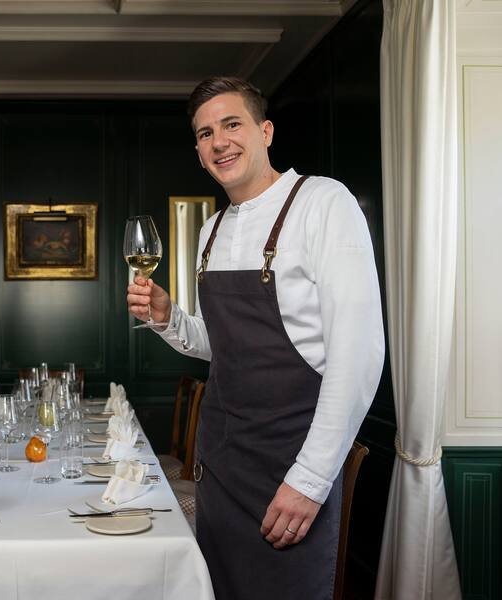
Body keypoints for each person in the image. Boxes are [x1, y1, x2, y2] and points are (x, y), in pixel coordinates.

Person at [126, 77, 384, 598]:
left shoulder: (323, 202)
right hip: (222, 466)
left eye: (231, 124)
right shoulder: (211, 229)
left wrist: (309, 481)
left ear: (265, 131)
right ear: (199, 153)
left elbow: (359, 356)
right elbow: (219, 346)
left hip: (290, 461)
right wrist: (167, 317)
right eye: (204, 134)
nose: (218, 141)